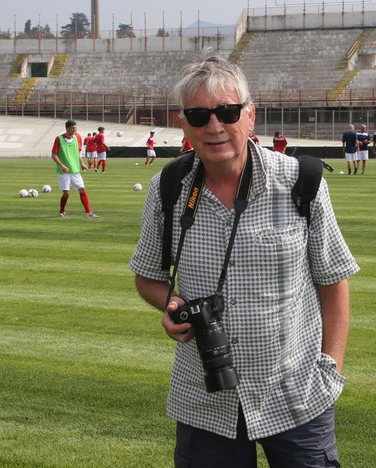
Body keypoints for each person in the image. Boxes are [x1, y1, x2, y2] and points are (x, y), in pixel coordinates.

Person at [130, 55, 358, 467]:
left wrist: (331, 368)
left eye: (227, 112)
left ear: (250, 115)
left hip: (297, 394)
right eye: (199, 115)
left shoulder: (300, 182)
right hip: (204, 397)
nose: (214, 126)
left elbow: (333, 283)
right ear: (184, 124)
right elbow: (147, 277)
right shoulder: (167, 189)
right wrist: (173, 305)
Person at [51, 120, 99, 218]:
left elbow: (77, 153)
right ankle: (62, 211)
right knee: (66, 194)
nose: (75, 130)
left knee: (82, 189)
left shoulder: (77, 138)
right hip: (64, 172)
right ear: (67, 128)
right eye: (73, 128)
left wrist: (82, 163)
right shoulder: (59, 139)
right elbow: (54, 154)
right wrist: (62, 165)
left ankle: (89, 213)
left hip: (75, 170)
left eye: (76, 128)